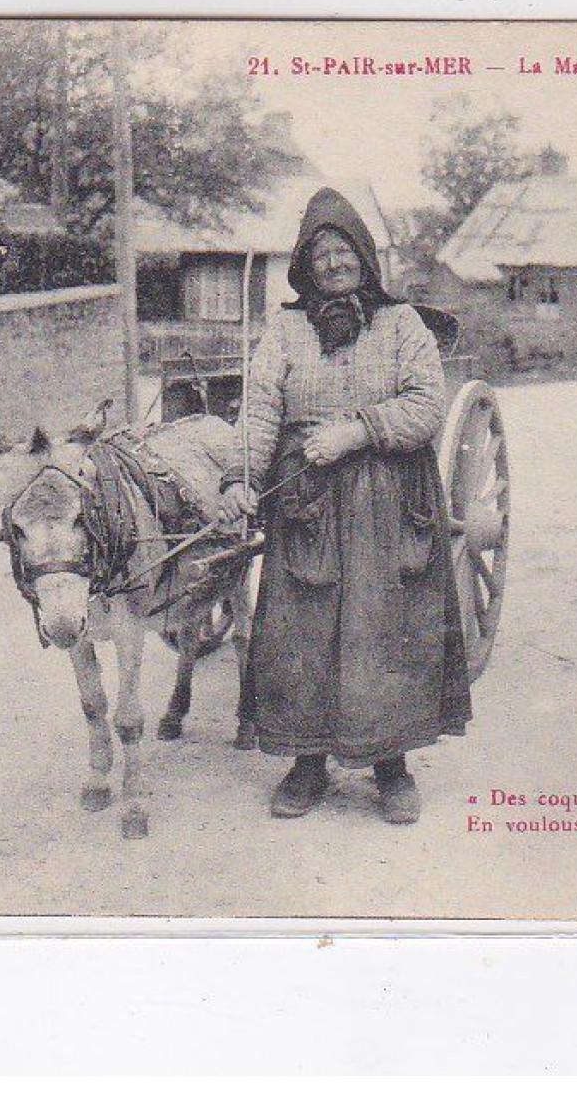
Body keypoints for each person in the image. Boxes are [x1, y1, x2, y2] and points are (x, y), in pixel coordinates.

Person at [219, 187, 473, 824]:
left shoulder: (401, 326)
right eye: (321, 253)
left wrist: (356, 431)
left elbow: (425, 407)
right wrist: (242, 478)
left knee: (385, 627)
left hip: (389, 499)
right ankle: (306, 765)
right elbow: (260, 412)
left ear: (364, 257)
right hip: (305, 500)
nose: (334, 263)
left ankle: (392, 769)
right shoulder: (284, 333)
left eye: (344, 250)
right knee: (299, 629)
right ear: (304, 266)